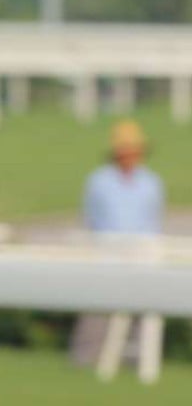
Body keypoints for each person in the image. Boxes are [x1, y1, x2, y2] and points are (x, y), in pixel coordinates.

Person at [71, 119, 166, 380]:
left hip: (142, 254)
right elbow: (92, 219)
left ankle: (131, 362)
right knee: (97, 310)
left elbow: (153, 221)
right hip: (107, 253)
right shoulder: (99, 181)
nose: (130, 154)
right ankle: (84, 359)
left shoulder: (151, 182)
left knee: (140, 313)